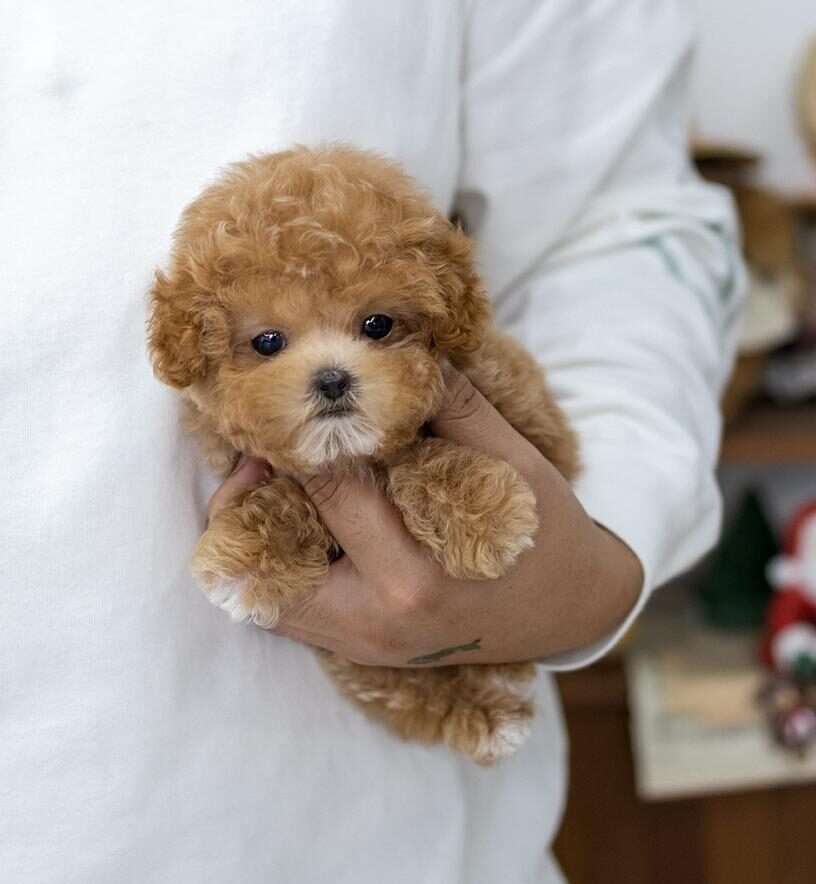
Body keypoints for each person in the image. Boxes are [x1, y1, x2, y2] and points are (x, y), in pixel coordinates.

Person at [0, 1, 743, 882]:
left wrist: (604, 546)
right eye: (268, 343)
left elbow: (612, 220)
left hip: (375, 832)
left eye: (376, 324)